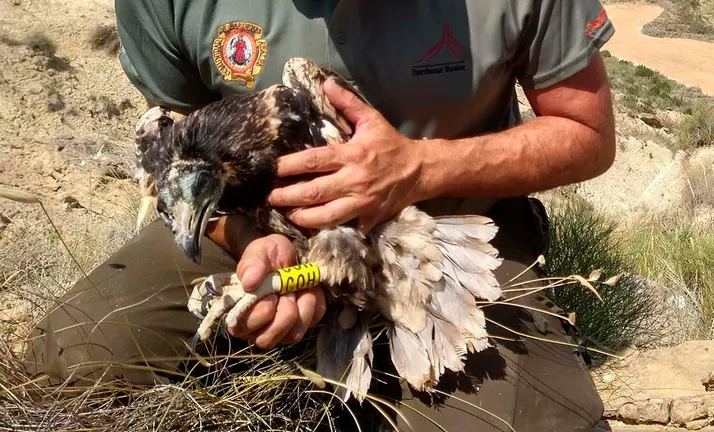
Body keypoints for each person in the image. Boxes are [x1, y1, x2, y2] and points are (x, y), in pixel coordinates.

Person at [24, 1, 617, 430]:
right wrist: (251, 238)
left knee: (530, 422)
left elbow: (587, 133)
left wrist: (418, 169)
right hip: (256, 222)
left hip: (441, 235)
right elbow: (180, 153)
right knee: (74, 353)